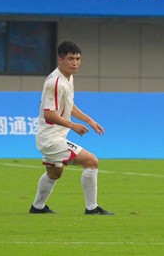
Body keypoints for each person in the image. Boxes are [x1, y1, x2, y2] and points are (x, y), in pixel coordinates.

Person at [29, 41, 114, 216]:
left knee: (55, 173)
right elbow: (49, 114)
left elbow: (69, 105)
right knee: (92, 161)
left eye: (78, 59)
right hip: (51, 140)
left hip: (54, 137)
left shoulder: (68, 78)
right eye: (71, 59)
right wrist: (73, 125)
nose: (75, 63)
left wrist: (89, 120)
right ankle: (92, 208)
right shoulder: (56, 82)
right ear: (60, 60)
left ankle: (37, 207)